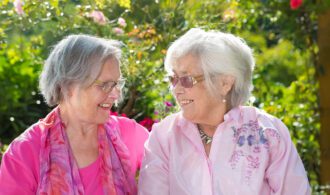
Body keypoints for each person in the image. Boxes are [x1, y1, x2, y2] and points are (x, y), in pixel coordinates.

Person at [138, 28, 311, 195]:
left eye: (186, 79)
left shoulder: (268, 133)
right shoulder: (164, 137)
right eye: (173, 79)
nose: (176, 90)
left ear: (225, 83)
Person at [0, 34, 149, 194]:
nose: (116, 94)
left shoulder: (130, 134)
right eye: (105, 85)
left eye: (116, 84)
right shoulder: (25, 152)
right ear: (68, 86)